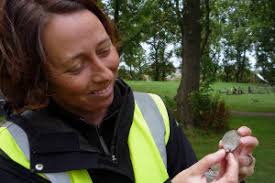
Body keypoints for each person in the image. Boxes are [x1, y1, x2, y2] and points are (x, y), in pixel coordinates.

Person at [0, 0, 258, 183]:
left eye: (104, 50)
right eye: (76, 67)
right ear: (36, 78)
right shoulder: (11, 154)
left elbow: (193, 175)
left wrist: (223, 173)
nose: (105, 73)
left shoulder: (154, 111)